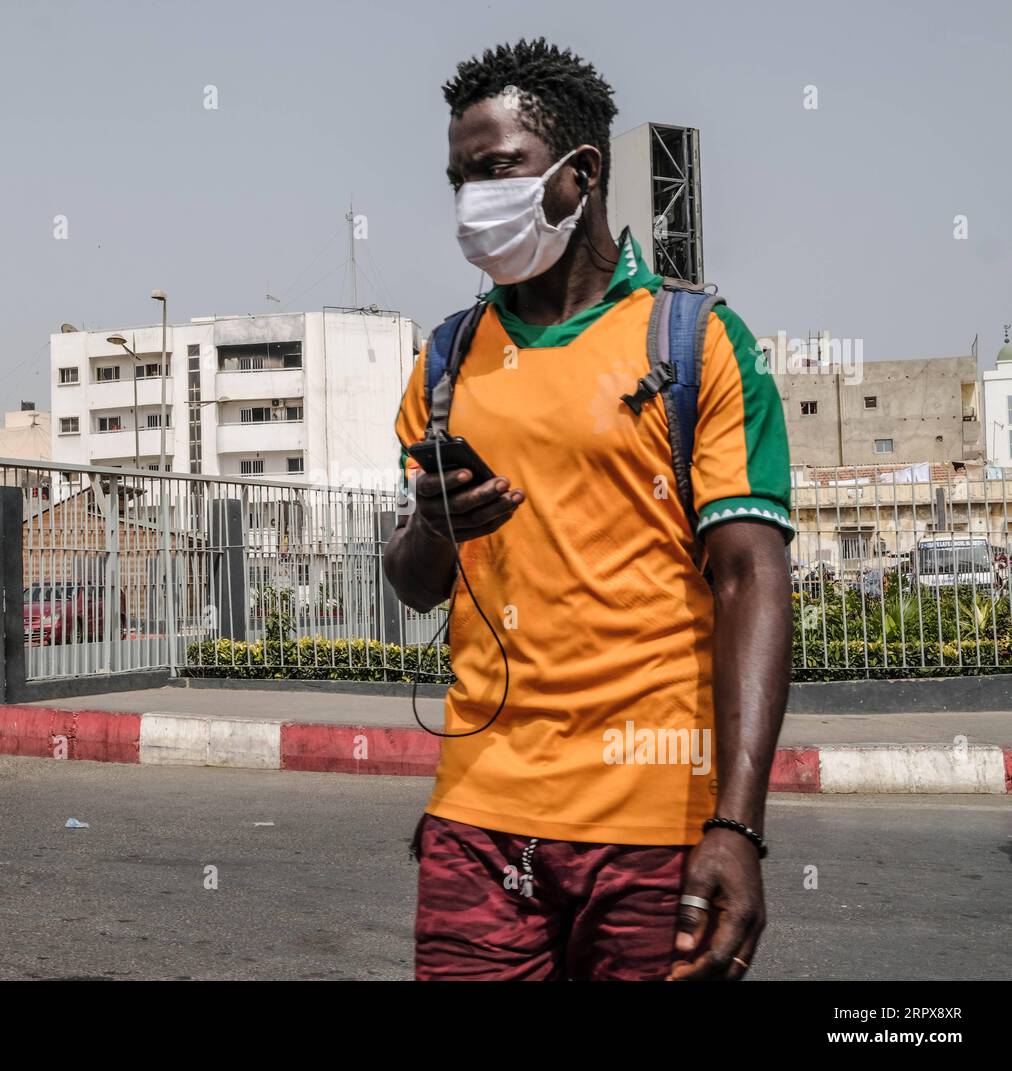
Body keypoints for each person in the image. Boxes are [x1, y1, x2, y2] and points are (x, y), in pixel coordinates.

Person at [383, 39, 793, 981]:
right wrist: (435, 524)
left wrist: (737, 824)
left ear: (581, 173)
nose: (472, 202)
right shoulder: (446, 360)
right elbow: (413, 585)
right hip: (478, 824)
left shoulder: (695, 343)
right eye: (457, 179)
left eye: (495, 171)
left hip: (659, 827)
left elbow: (751, 580)